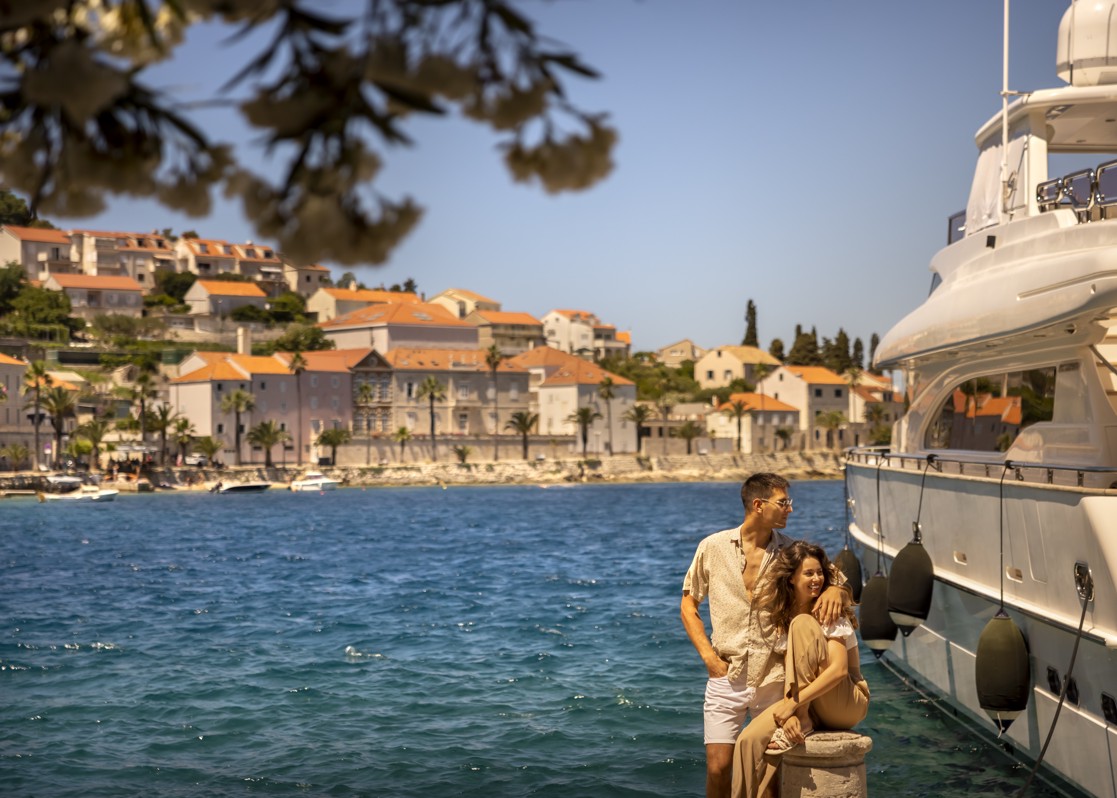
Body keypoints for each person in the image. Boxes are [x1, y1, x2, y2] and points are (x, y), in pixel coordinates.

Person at [680, 473, 849, 798]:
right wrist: (708, 657)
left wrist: (837, 592)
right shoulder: (712, 547)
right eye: (783, 502)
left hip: (775, 679)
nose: (790, 509)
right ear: (758, 505)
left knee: (768, 779)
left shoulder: (791, 552)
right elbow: (688, 604)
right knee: (717, 769)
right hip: (725, 677)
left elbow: (836, 580)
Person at [731, 541, 870, 798]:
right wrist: (790, 709)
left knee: (803, 623)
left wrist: (794, 705)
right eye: (808, 573)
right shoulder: (783, 617)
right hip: (810, 702)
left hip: (847, 701)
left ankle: (804, 719)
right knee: (747, 741)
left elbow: (839, 670)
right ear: (791, 579)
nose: (817, 579)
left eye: (819, 572)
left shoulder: (829, 609)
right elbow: (792, 671)